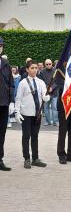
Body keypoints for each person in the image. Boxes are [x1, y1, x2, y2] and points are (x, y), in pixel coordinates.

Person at [15, 60, 50, 169]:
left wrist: (46, 97)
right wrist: (17, 111)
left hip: (37, 114)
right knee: (26, 136)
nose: (34, 70)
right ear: (27, 69)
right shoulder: (23, 83)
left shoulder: (41, 82)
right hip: (26, 114)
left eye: (36, 68)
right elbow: (18, 99)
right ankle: (26, 158)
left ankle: (35, 158)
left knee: (35, 136)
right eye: (32, 68)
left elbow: (45, 94)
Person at [56, 72, 71, 164]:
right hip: (64, 107)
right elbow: (61, 88)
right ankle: (61, 154)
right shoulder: (61, 73)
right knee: (63, 132)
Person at [0, 37, 15, 171]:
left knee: (2, 133)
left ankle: (0, 159)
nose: (0, 47)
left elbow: (11, 85)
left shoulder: (5, 63)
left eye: (1, 46)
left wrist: (12, 101)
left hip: (4, 104)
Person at [40, 59, 58, 126]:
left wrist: (52, 88)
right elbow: (41, 81)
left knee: (54, 108)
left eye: (49, 64)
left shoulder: (55, 71)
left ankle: (55, 121)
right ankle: (47, 121)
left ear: (52, 64)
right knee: (46, 108)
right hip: (46, 92)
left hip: (54, 92)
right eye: (47, 64)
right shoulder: (42, 72)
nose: (48, 65)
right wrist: (47, 87)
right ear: (45, 64)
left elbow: (57, 81)